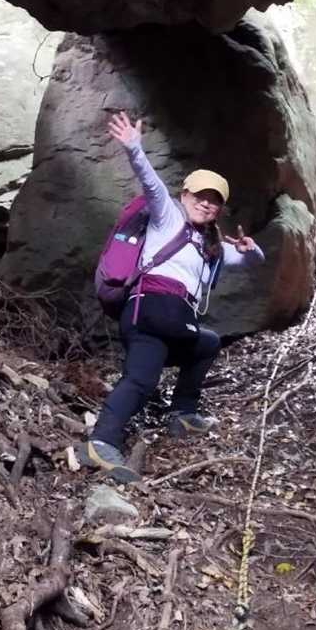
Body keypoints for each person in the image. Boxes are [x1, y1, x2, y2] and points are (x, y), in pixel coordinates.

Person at [85, 111, 265, 481]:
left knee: (206, 343)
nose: (206, 204)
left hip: (175, 319)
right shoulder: (167, 217)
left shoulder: (210, 246)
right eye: (200, 196)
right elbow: (150, 184)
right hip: (150, 310)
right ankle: (102, 441)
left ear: (219, 209)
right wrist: (134, 149)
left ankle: (183, 414)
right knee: (141, 380)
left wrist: (251, 248)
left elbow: (253, 262)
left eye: (214, 201)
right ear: (184, 195)